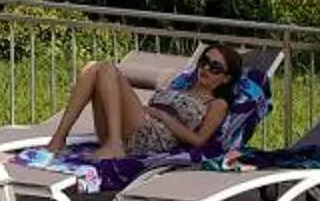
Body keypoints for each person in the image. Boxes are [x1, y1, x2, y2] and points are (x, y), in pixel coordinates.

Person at [41, 43, 246, 160]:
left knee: (108, 69)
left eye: (216, 68)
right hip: (133, 125)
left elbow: (199, 141)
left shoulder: (217, 103)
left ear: (226, 78)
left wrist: (163, 116)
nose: (207, 69)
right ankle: (59, 138)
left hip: (153, 136)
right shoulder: (180, 86)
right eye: (204, 62)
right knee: (92, 67)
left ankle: (114, 144)